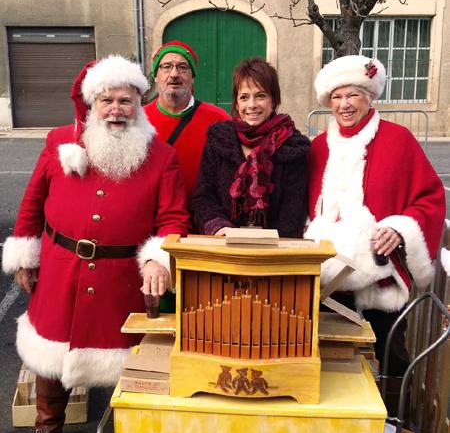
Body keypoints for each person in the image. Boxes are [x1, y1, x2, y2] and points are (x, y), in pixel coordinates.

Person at [2, 55, 189, 433]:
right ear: (92, 104)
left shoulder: (161, 156)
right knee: (49, 351)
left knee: (128, 356)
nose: (117, 110)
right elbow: (33, 203)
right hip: (60, 265)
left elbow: (174, 217)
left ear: (140, 102)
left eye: (126, 101)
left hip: (121, 277)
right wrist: (25, 254)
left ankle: (133, 431)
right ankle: (48, 426)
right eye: (107, 101)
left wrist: (158, 258)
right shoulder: (58, 143)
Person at [306, 55, 445, 382]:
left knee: (390, 361)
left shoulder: (399, 141)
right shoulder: (318, 148)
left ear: (369, 96)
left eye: (352, 94)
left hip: (380, 280)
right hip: (326, 283)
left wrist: (400, 229)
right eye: (337, 97)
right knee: (330, 365)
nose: (344, 105)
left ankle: (397, 427)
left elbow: (430, 198)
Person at [190, 57, 310, 237]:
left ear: (273, 100)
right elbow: (203, 195)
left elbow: (294, 210)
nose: (252, 105)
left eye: (260, 96)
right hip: (223, 249)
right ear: (237, 104)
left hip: (275, 253)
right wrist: (218, 226)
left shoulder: (293, 146)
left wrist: (263, 246)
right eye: (244, 97)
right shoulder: (219, 140)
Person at [144, 40, 229, 202]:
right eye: (166, 66)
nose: (174, 74)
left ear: (193, 77)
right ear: (156, 76)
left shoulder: (219, 120)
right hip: (154, 222)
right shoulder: (138, 120)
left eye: (183, 67)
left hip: (205, 221)